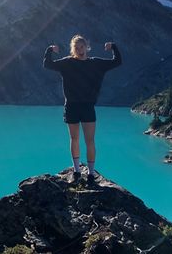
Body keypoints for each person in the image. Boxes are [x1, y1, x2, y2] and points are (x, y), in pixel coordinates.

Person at [43, 35, 122, 182]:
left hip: (87, 106)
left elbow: (117, 61)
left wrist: (114, 47)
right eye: (77, 48)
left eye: (82, 47)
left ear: (87, 47)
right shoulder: (67, 62)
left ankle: (91, 174)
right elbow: (48, 64)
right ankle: (77, 170)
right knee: (74, 139)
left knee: (89, 140)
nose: (79, 50)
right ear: (73, 49)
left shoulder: (96, 63)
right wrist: (49, 50)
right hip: (71, 106)